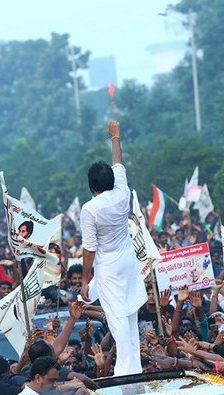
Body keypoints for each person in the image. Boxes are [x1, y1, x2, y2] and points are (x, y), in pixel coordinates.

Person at [79, 120, 146, 376]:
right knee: (130, 316)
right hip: (128, 262)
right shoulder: (122, 191)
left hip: (108, 265)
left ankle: (126, 372)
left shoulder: (90, 208)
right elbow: (119, 163)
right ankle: (132, 368)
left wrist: (85, 280)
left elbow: (89, 249)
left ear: (91, 186)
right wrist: (115, 137)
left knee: (118, 318)